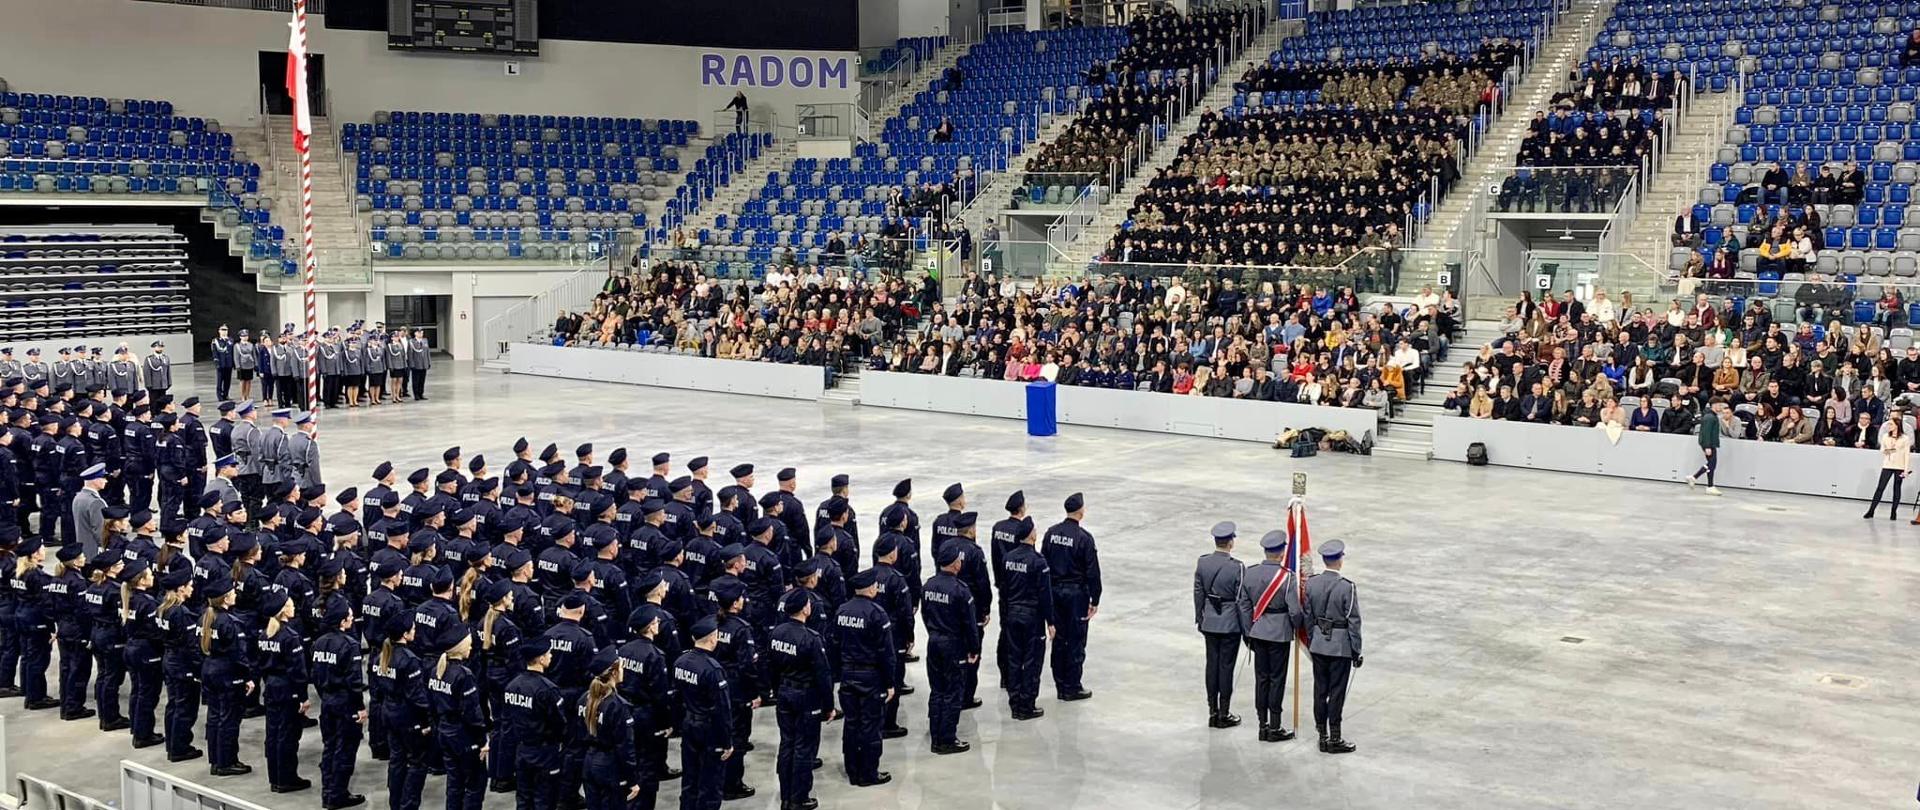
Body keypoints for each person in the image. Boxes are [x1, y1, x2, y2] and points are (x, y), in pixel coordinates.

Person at [1237, 529, 1308, 742]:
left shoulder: (1250, 573)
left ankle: (1262, 724)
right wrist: (1297, 627)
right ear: (1282, 553)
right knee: (1277, 679)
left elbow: (1243, 605)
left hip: (1258, 632)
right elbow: (1294, 611)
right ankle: (1275, 726)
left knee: (1261, 679)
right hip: (1279, 634)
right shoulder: (1287, 577)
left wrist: (1249, 630)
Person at [768, 588, 833, 810]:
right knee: (804, 748)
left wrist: (777, 690)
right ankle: (799, 798)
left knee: (787, 743)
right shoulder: (811, 638)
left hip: (784, 692)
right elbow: (823, 675)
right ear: (805, 609)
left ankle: (786, 795)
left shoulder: (776, 633)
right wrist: (829, 706)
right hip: (806, 697)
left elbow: (771, 667)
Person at [833, 568, 896, 787]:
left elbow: (834, 642)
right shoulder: (877, 613)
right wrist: (890, 682)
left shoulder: (842, 611)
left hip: (848, 674)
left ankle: (852, 769)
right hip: (870, 676)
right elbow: (886, 652)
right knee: (871, 725)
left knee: (852, 723)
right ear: (870, 588)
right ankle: (868, 773)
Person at [921, 535, 980, 755]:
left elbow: (925, 614)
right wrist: (974, 649)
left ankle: (936, 733)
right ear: (956, 564)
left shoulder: (928, 585)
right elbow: (970, 624)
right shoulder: (960, 590)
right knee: (953, 691)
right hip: (953, 645)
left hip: (934, 641)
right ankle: (946, 739)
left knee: (937, 690)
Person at [1304, 539, 1361, 755]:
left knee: (1320, 690)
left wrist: (1313, 640)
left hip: (1318, 645)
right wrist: (1356, 650)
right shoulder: (1347, 587)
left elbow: (1308, 617)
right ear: (1340, 560)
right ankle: (1335, 737)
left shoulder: (1312, 583)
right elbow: (1353, 622)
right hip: (1339, 647)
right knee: (1336, 692)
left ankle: (1322, 735)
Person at [310, 598, 369, 810]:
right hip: (345, 704)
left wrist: (325, 695)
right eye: (350, 616)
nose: (353, 618)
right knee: (345, 750)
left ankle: (328, 791)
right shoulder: (349, 645)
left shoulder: (318, 643)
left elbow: (315, 676)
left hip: (327, 701)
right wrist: (360, 708)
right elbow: (354, 682)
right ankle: (337, 794)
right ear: (343, 621)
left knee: (329, 747)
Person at [674, 615, 735, 810]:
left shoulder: (680, 662)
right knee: (710, 784)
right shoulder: (713, 669)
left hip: (689, 723)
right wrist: (727, 741)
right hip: (709, 730)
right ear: (713, 638)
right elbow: (722, 709)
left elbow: (676, 697)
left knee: (690, 779)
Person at [1042, 492, 1098, 701]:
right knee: (1076, 640)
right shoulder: (1084, 538)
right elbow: (1092, 571)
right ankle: (1072, 686)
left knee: (1059, 638)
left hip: (1055, 592)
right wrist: (1095, 598)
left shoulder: (1051, 533)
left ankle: (1060, 684)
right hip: (1076, 595)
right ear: (1081, 512)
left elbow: (1043, 564)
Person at [997, 512, 1051, 720]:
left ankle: (1014, 704)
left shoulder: (1008, 558)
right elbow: (1045, 595)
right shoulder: (1038, 562)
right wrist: (1051, 621)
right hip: (1032, 617)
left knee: (1014, 659)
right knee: (1031, 661)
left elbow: (1004, 589)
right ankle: (1026, 705)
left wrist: (1005, 614)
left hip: (1012, 614)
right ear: (1031, 535)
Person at [373, 618, 430, 810]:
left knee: (397, 760)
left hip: (389, 713)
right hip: (408, 717)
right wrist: (426, 722)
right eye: (412, 629)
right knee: (417, 763)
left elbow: (377, 690)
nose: (415, 631)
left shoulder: (381, 657)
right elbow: (417, 696)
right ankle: (408, 805)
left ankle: (395, 804)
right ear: (405, 635)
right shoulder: (409, 660)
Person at [257, 590, 311, 792]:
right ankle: (287, 778)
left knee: (273, 734)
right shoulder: (290, 637)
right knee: (288, 735)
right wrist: (303, 697)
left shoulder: (265, 635)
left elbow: (261, 665)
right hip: (288, 689)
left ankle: (275, 777)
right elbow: (298, 671)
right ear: (283, 611)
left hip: (271, 688)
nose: (294, 607)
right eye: (290, 604)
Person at [200, 577, 254, 776]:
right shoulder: (230, 622)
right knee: (229, 719)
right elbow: (238, 654)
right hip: (227, 673)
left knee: (214, 716)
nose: (235, 595)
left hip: (209, 669)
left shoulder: (205, 618)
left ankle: (215, 760)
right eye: (232, 593)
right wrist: (247, 677)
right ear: (225, 599)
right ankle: (227, 761)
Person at [1193, 521, 1244, 728]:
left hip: (1210, 622)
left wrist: (1200, 618)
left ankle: (1212, 711)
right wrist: (1245, 628)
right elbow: (1241, 600)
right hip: (1230, 624)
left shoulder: (1203, 562)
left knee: (1211, 666)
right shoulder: (1237, 567)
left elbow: (1198, 593)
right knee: (1226, 668)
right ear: (1231, 542)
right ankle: (1224, 712)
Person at [577, 647, 641, 810]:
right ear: (614, 672)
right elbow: (625, 746)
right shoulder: (618, 706)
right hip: (610, 766)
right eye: (621, 667)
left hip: (588, 762)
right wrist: (632, 780)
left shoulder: (584, 699)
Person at [157, 563, 203, 762]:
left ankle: (172, 744)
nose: (192, 588)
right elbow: (191, 646)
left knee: (174, 704)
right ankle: (180, 748)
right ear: (181, 588)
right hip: (182, 664)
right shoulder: (181, 613)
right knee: (185, 707)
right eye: (190, 585)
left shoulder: (163, 609)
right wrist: (198, 669)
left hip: (169, 660)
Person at [120, 558, 167, 748]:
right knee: (148, 694)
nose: (153, 576)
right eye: (149, 574)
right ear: (141, 580)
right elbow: (154, 631)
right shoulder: (147, 603)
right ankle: (143, 735)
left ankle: (137, 727)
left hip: (131, 647)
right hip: (146, 651)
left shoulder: (128, 598)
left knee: (138, 690)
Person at [1865, 417, 1911, 519]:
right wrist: (1891, 450)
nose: (1888, 426)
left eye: (1891, 424)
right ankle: (1871, 511)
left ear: (1897, 426)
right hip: (1887, 465)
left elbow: (1907, 454)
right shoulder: (1886, 436)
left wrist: (1906, 469)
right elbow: (1882, 450)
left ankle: (1893, 512)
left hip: (1900, 466)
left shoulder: (1905, 438)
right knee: (1880, 487)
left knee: (1897, 488)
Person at [1688, 397, 1727, 495]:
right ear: (1714, 405)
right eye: (1720, 405)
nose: (1721, 407)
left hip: (1710, 443)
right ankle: (1697, 479)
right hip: (1709, 444)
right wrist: (1707, 446)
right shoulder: (1710, 417)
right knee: (1712, 464)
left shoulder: (1711, 416)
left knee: (1711, 465)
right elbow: (1706, 433)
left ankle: (1708, 484)